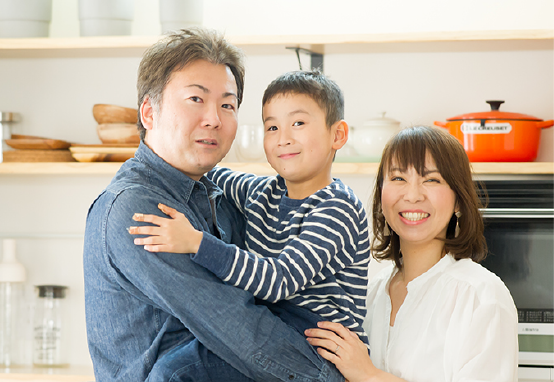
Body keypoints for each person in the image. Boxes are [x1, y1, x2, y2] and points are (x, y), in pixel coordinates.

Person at [84, 28, 343, 382]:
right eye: (196, 99)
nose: (214, 119)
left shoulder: (219, 193)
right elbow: (235, 324)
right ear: (148, 113)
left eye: (227, 104)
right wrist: (339, 375)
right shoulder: (135, 209)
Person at [128, 70, 371, 371]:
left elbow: (278, 280)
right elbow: (207, 169)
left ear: (338, 135)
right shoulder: (262, 192)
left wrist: (196, 242)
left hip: (322, 350)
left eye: (298, 123)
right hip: (274, 330)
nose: (283, 138)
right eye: (272, 127)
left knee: (176, 371)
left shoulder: (337, 207)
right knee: (179, 361)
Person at [304, 125, 519, 382]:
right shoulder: (370, 294)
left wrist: (368, 375)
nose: (413, 195)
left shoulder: (482, 297)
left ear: (459, 199)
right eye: (398, 178)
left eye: (431, 180)